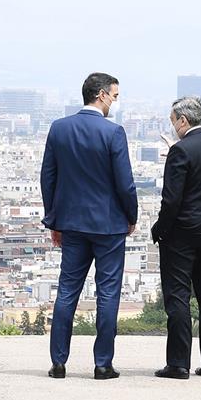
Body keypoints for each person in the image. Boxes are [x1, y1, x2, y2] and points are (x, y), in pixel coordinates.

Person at [41, 72, 138, 380]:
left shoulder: (59, 129)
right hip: (108, 226)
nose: (114, 102)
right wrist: (131, 216)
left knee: (67, 290)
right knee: (107, 293)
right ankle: (102, 364)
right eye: (114, 96)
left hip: (70, 224)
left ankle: (58, 362)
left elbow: (48, 178)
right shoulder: (113, 133)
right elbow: (125, 184)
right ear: (100, 95)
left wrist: (53, 219)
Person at [151, 95, 201, 380]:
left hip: (182, 234)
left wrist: (159, 229)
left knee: (178, 297)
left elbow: (171, 200)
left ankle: (178, 364)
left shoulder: (180, 151)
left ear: (183, 120)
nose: (172, 126)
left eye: (173, 121)